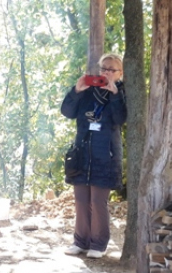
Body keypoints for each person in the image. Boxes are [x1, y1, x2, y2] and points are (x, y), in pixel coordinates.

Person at [60, 53, 127, 259]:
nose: (106, 72)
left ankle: (98, 244)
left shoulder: (122, 92)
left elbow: (120, 119)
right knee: (80, 199)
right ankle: (80, 241)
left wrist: (114, 94)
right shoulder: (87, 91)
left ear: (120, 73)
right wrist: (76, 91)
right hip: (82, 152)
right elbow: (67, 112)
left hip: (105, 153)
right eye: (103, 68)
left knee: (98, 201)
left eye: (111, 69)